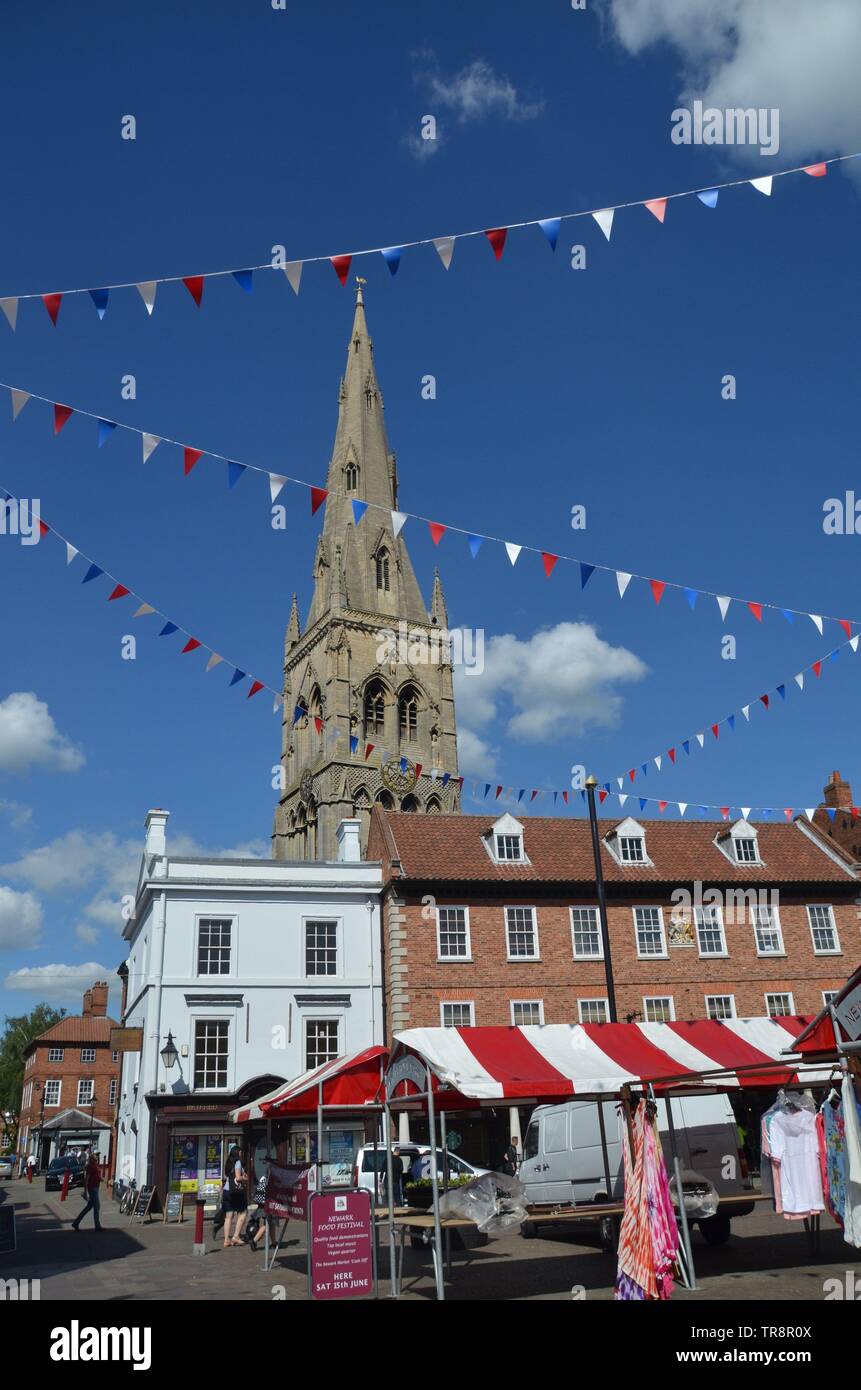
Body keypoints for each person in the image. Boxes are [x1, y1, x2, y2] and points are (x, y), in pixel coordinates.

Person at [221, 1145, 248, 1248]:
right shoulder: (238, 1162)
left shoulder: (228, 1163)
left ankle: (226, 1240)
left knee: (228, 1217)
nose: (241, 1154)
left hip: (227, 1190)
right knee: (243, 1212)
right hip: (235, 1192)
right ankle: (236, 1236)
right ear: (237, 1153)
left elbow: (229, 1176)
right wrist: (245, 1178)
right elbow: (238, 1177)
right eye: (240, 1152)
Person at [72, 1151, 103, 1231]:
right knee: (97, 1206)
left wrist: (101, 1179)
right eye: (96, 1155)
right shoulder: (90, 1166)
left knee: (89, 1207)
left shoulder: (96, 1165)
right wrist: (85, 1191)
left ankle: (76, 1223)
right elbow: (86, 1179)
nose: (98, 1156)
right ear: (92, 1157)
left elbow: (97, 1176)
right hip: (92, 1188)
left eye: (98, 1155)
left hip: (96, 1187)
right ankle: (97, 1226)